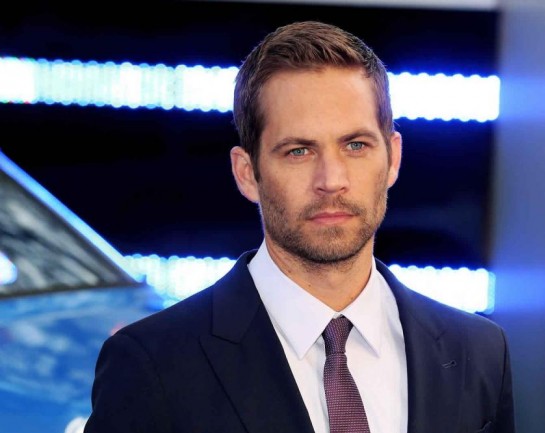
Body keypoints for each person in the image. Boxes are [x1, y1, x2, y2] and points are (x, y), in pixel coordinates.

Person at [84, 20, 515, 433]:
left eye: (356, 145)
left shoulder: (479, 351)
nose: (332, 179)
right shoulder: (154, 364)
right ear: (247, 173)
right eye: (298, 151)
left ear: (393, 158)